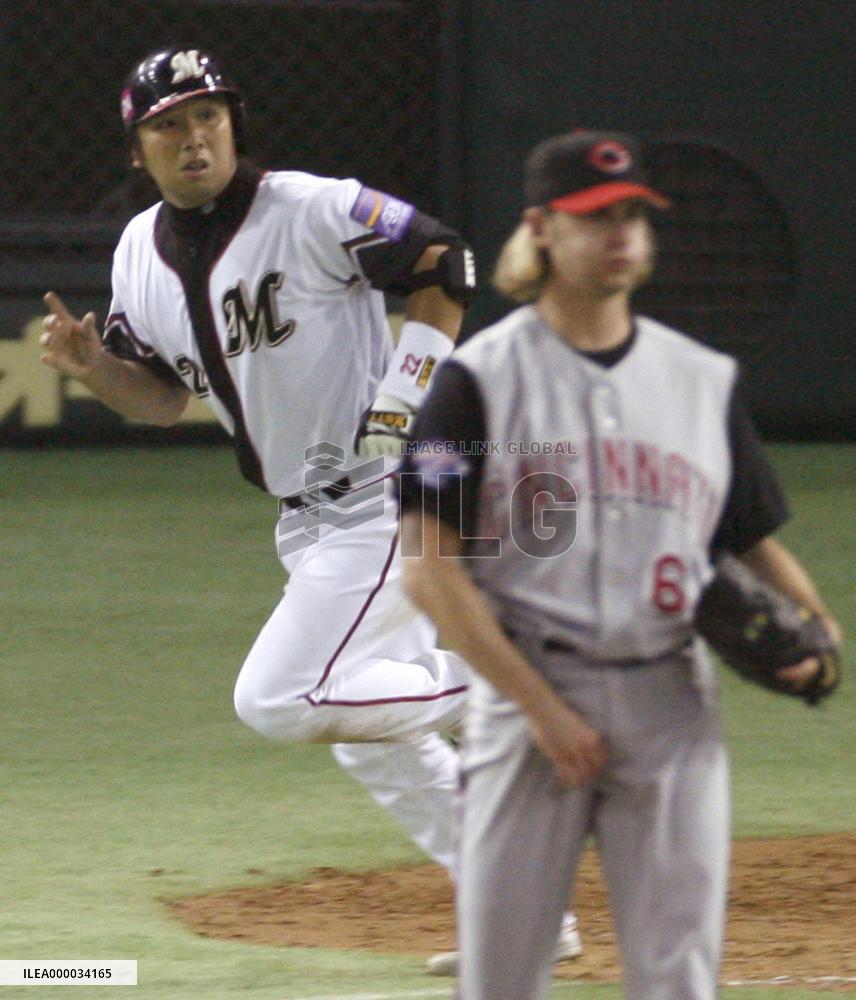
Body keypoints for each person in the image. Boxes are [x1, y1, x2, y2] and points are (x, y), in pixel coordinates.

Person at [37, 45, 584, 972]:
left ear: (233, 123)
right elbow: (162, 399)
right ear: (139, 150)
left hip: (390, 494)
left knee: (281, 698)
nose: (193, 136)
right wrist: (97, 371)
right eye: (168, 124)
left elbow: (445, 260)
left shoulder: (310, 206)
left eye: (207, 115)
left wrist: (409, 387)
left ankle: (516, 688)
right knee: (376, 738)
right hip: (308, 517)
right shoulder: (140, 256)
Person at [397, 130, 842, 998]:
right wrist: (543, 710)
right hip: (525, 709)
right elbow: (428, 569)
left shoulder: (700, 381)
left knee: (679, 979)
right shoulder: (475, 382)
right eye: (597, 216)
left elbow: (755, 537)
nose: (620, 233)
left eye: (634, 214)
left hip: (671, 704)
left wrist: (817, 624)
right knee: (499, 981)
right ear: (542, 228)